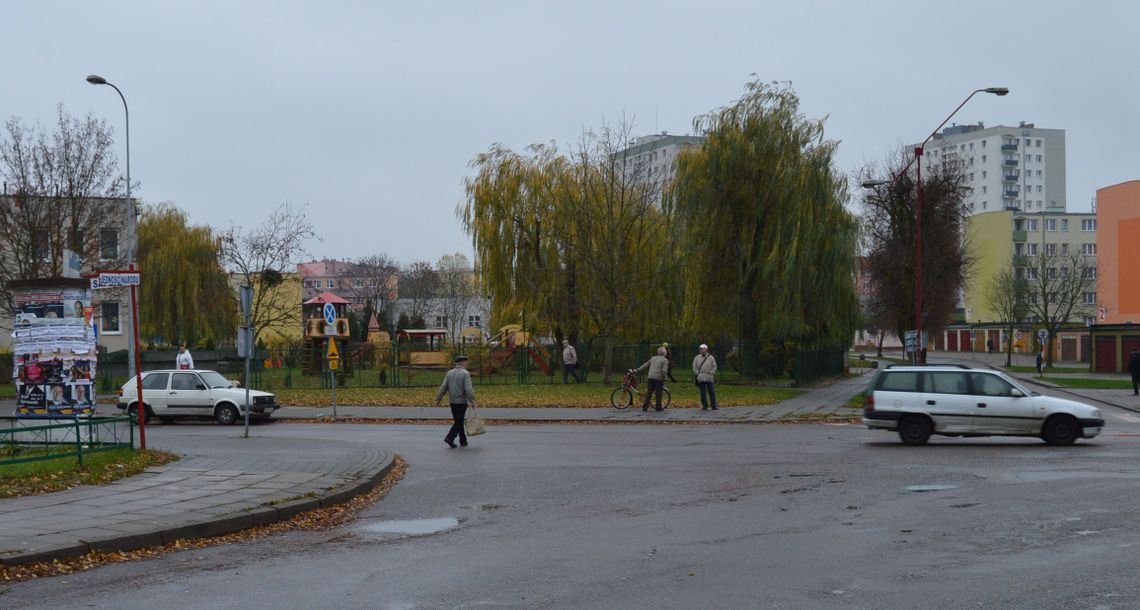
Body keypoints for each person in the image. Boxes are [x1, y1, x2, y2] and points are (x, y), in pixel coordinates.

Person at [435, 355, 478, 448]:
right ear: (463, 362)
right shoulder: (465, 373)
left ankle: (463, 440)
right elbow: (468, 389)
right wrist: (472, 400)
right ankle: (450, 438)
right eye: (466, 362)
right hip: (462, 402)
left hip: (452, 401)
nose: (467, 364)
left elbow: (443, 387)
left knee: (458, 421)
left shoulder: (449, 373)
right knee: (458, 422)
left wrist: (438, 398)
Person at [635, 347, 670, 412]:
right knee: (658, 393)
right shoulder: (665, 360)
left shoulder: (653, 358)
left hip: (650, 377)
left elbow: (645, 365)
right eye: (666, 352)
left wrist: (638, 369)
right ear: (664, 353)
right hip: (658, 378)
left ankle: (645, 407)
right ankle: (658, 407)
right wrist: (664, 378)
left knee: (649, 392)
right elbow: (664, 371)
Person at [692, 343, 719, 411]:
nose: (700, 350)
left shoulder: (711, 357)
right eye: (700, 349)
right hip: (701, 377)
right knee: (702, 392)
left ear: (706, 350)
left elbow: (714, 366)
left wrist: (712, 372)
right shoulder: (696, 357)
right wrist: (697, 374)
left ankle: (714, 406)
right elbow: (694, 366)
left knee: (712, 392)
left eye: (702, 349)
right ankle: (704, 405)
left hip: (709, 377)